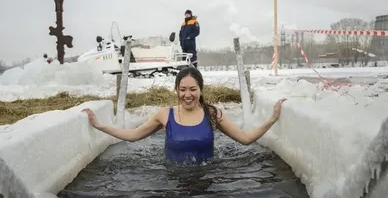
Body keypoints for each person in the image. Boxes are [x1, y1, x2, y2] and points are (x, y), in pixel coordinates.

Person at [82, 67, 286, 165]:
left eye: (193, 89)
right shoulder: (165, 115)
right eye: (182, 89)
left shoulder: (212, 114)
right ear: (176, 90)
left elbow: (246, 139)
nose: (187, 95)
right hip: (173, 177)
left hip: (207, 178)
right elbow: (134, 135)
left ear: (200, 89)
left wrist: (272, 119)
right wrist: (100, 126)